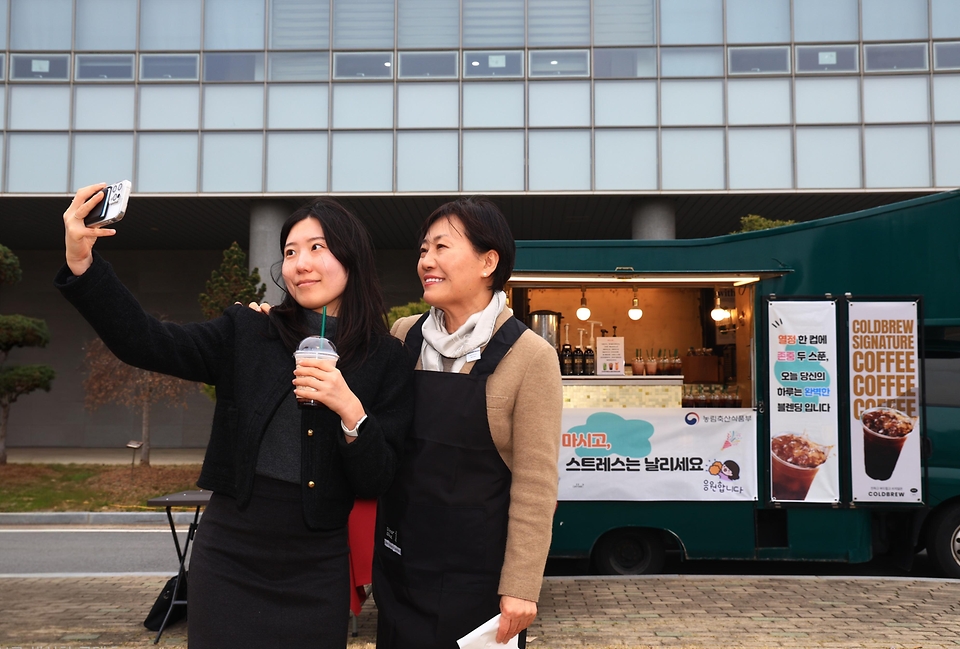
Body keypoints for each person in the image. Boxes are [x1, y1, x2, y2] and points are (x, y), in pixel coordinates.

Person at [56, 184, 413, 649]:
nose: (300, 263)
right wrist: (82, 263)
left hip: (317, 565)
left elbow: (376, 479)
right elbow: (146, 341)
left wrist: (350, 411)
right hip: (230, 557)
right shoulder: (249, 330)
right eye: (290, 251)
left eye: (317, 248)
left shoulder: (387, 359)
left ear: (353, 258)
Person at [374, 197, 563, 649]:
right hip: (401, 566)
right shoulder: (403, 336)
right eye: (423, 250)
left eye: (442, 247)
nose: (427, 260)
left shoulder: (530, 356)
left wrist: (522, 586)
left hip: (479, 580)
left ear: (488, 262)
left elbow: (536, 483)